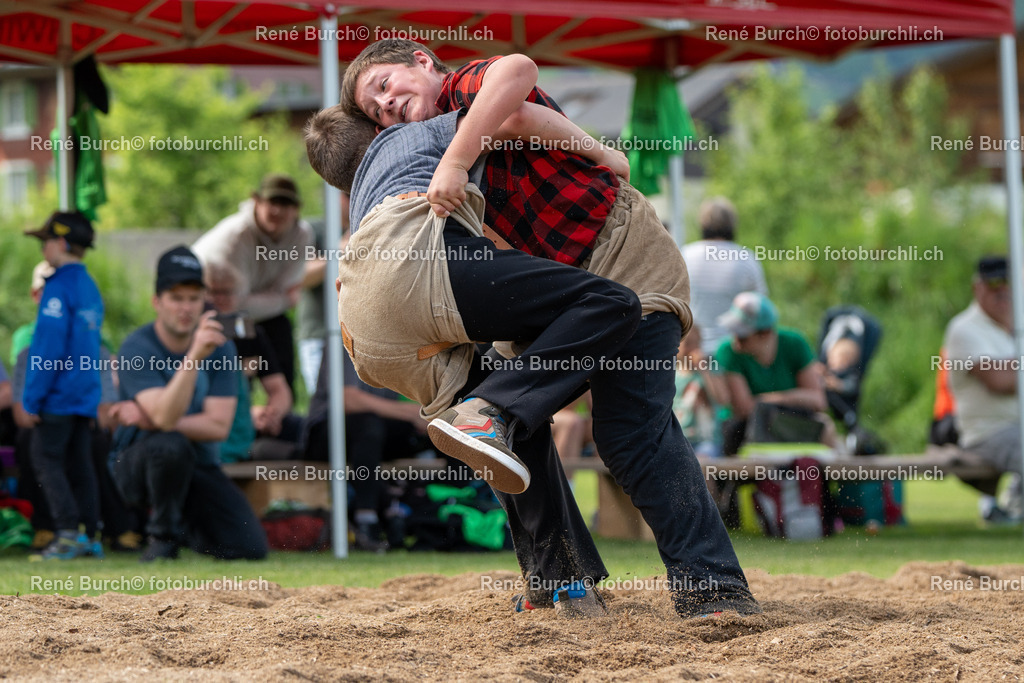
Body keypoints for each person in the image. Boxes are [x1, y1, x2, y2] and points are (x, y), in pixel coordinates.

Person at [338, 39, 762, 619]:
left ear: (421, 60)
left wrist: (586, 152)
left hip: (626, 260)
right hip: (563, 289)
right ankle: (560, 582)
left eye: (386, 86)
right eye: (377, 111)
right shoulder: (442, 134)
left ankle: (714, 589)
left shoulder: (464, 88)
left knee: (631, 432)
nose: (389, 106)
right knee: (510, 429)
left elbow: (517, 76)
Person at [307, 107, 643, 615]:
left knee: (511, 436)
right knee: (613, 305)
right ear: (379, 131)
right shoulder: (407, 137)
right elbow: (509, 110)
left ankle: (557, 581)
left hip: (364, 331)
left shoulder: (361, 191)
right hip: (415, 269)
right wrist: (601, 151)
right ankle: (495, 408)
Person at [108, 246, 268, 562]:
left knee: (249, 548)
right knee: (169, 445)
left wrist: (150, 418)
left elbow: (218, 426)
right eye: (176, 298)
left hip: (197, 465)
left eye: (193, 299)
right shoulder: (137, 346)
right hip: (136, 468)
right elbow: (167, 422)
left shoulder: (220, 348)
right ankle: (162, 539)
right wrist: (194, 357)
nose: (186, 308)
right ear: (157, 302)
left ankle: (187, 530)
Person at [21, 211, 105, 560]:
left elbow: (48, 348)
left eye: (46, 241)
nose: (43, 248)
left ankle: (67, 533)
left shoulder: (56, 287)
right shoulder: (89, 286)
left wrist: (32, 398)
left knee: (45, 458)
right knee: (80, 463)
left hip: (56, 396)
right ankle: (90, 534)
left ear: (63, 243)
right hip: (83, 396)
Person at [192, 174, 315, 393]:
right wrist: (282, 299)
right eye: (272, 202)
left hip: (256, 311)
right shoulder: (233, 238)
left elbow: (288, 288)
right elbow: (232, 303)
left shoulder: (302, 235)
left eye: (286, 204)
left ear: (297, 208)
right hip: (213, 313)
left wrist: (275, 299)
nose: (277, 211)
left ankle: (282, 413)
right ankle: (240, 407)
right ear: (256, 202)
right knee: (242, 343)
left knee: (281, 336)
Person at [303, 341, 429, 551]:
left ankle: (445, 515)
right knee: (369, 425)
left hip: (370, 438)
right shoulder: (345, 338)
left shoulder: (398, 344)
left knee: (440, 429)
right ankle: (366, 520)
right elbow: (347, 399)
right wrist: (414, 414)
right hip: (324, 436)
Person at [944, 255, 1023, 524]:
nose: (1002, 290)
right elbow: (999, 380)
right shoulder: (963, 329)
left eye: (1008, 282)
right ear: (977, 288)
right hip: (988, 434)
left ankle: (1015, 501)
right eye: (994, 283)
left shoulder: (1016, 326)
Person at [715, 291, 835, 455]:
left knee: (826, 426)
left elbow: (818, 401)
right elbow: (744, 409)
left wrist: (768, 400)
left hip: (787, 421)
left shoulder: (795, 344)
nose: (735, 341)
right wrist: (793, 398)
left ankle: (835, 478)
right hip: (744, 427)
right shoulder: (728, 351)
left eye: (742, 336)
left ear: (765, 332)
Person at [203, 261, 296, 462]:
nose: (220, 299)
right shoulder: (194, 336)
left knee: (307, 432)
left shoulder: (249, 333)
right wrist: (247, 414)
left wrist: (271, 414)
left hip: (249, 420)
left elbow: (280, 390)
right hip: (216, 422)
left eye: (227, 292)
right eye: (213, 292)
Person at [681, 198, 769, 355]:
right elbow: (760, 308)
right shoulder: (746, 259)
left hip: (692, 352)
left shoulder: (685, 255)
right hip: (734, 352)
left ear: (702, 224)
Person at [674, 326, 727, 459]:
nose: (694, 349)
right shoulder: (671, 374)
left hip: (707, 439)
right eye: (688, 343)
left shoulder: (711, 370)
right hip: (679, 438)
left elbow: (723, 400)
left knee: (702, 465)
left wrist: (704, 371)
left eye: (697, 343)